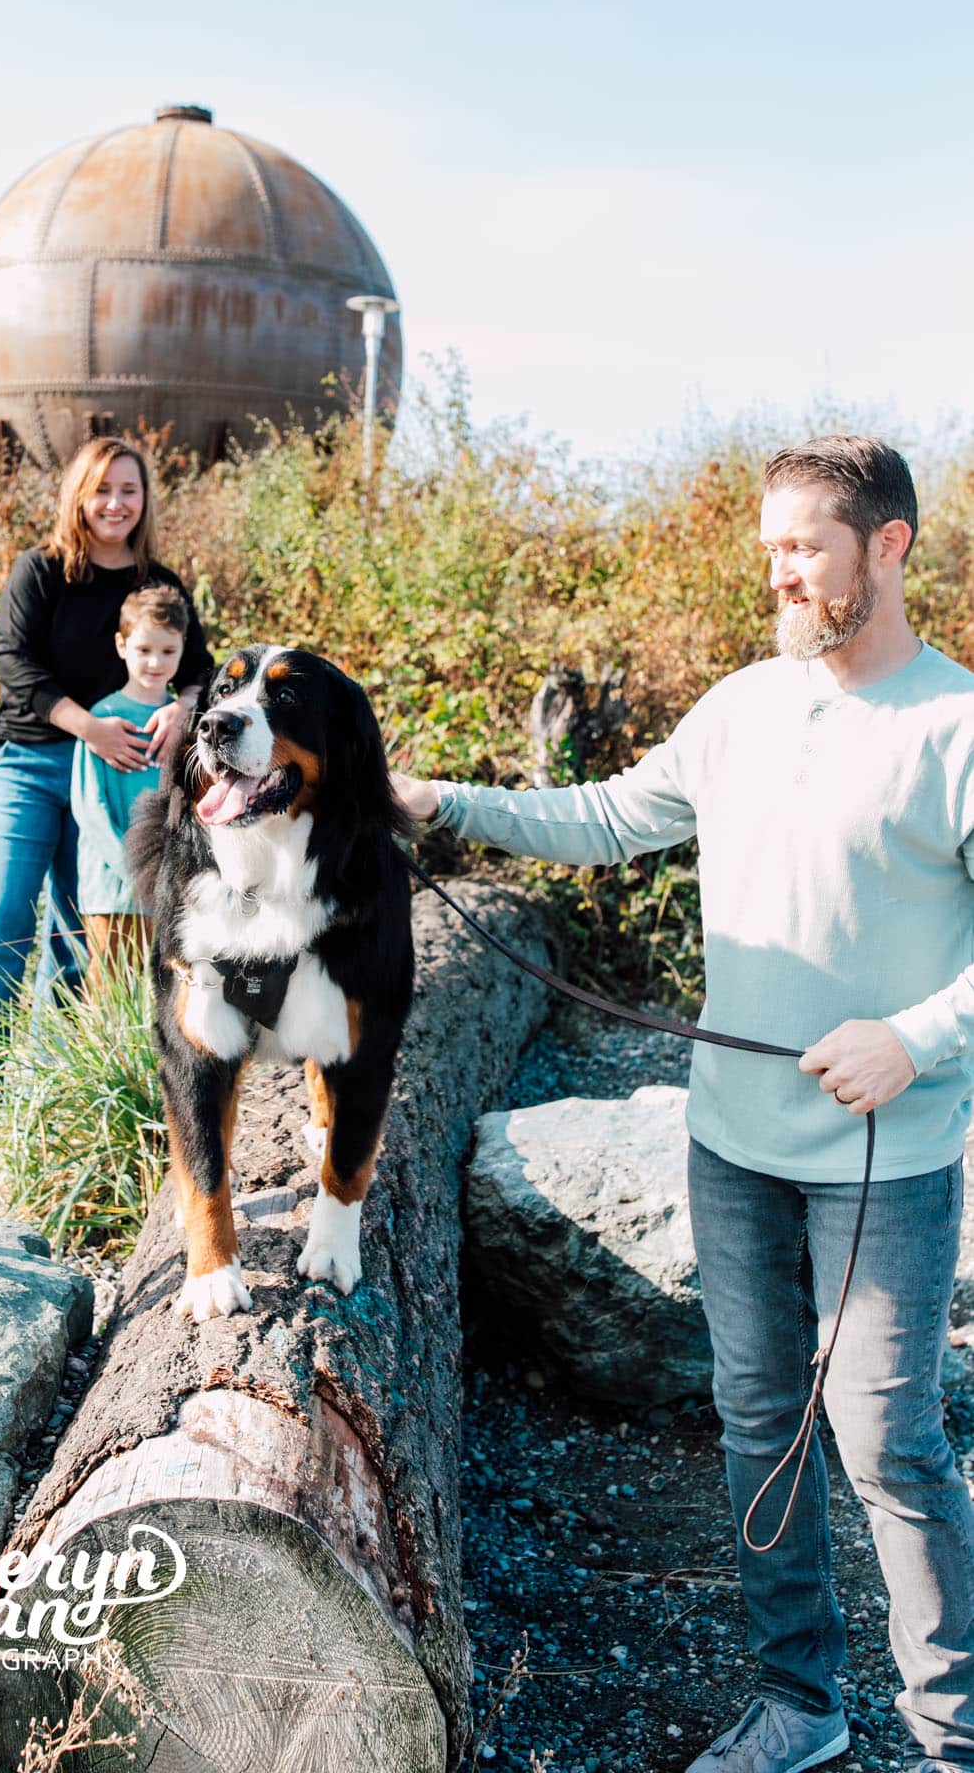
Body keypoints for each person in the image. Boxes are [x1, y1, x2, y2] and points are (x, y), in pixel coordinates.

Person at [393, 436, 974, 1773]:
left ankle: (951, 1734)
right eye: (768, 545)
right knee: (757, 1423)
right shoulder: (742, 706)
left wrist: (912, 1035)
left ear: (886, 549)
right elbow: (609, 816)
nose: (778, 571)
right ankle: (801, 1705)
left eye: (803, 548)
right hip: (731, 1141)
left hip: (886, 1157)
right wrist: (443, 800)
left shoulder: (953, 726)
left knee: (889, 1444)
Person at [0, 436, 214, 1143]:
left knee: (76, 938)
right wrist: (88, 725)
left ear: (144, 498)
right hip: (31, 762)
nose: (115, 503)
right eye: (101, 489)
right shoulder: (42, 571)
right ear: (78, 496)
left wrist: (184, 706)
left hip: (118, 781)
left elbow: (202, 670)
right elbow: (15, 662)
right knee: (0, 919)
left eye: (128, 489)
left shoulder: (159, 581)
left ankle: (52, 1092)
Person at [69, 583, 188, 985]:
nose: (155, 662)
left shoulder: (183, 724)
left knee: (167, 995)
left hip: (173, 891)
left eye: (168, 651)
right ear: (122, 646)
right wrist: (135, 871)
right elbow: (89, 809)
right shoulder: (104, 718)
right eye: (144, 650)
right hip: (112, 889)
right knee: (110, 992)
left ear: (183, 648)